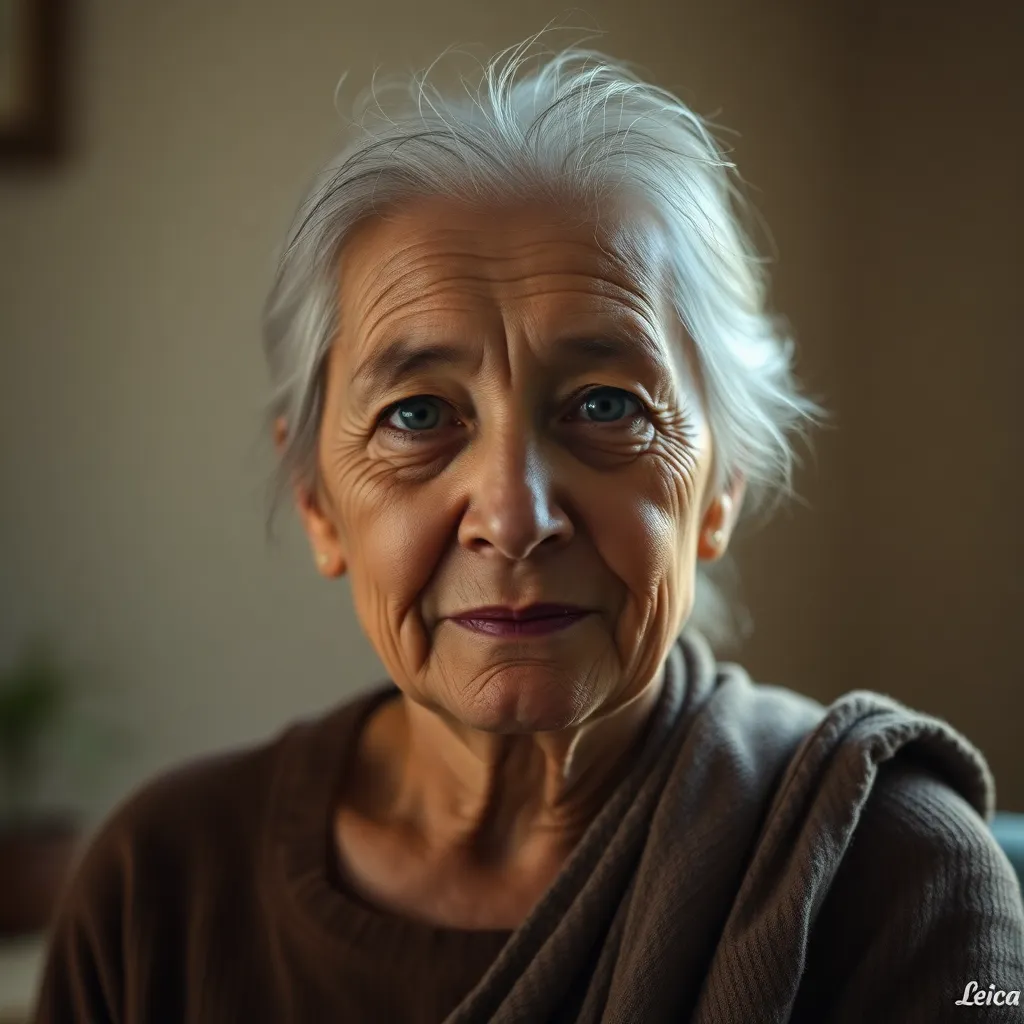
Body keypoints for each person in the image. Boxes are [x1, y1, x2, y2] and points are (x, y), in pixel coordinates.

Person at [33, 33, 1024, 1024]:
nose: (512, 518)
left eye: (604, 405)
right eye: (417, 415)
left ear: (721, 483)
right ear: (316, 502)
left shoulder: (895, 875)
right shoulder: (159, 884)